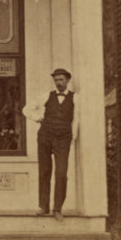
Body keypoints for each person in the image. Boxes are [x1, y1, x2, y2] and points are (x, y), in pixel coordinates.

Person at [24, 68, 80, 221]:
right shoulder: (46, 96)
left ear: (68, 80)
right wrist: (38, 118)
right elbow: (26, 109)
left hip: (63, 138)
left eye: (61, 79)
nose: (58, 82)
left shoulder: (76, 98)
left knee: (61, 173)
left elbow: (76, 120)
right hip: (45, 137)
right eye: (56, 80)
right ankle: (43, 206)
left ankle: (57, 208)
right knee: (44, 171)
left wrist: (71, 138)